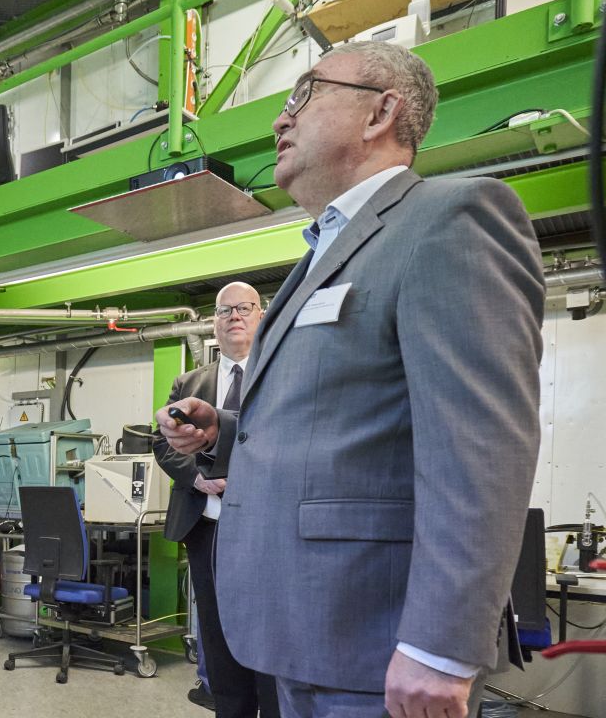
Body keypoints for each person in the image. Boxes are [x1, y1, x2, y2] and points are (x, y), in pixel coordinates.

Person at [157, 41, 544, 718]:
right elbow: (344, 426)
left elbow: (482, 446)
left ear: (380, 113)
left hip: (379, 644)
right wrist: (229, 429)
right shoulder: (318, 258)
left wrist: (440, 647)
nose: (280, 122)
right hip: (302, 629)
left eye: (302, 95)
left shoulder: (449, 220)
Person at [154, 282, 279, 718]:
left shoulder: (280, 374)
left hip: (268, 532)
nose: (235, 317)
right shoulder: (189, 382)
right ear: (213, 322)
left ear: (261, 315)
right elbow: (163, 443)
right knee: (217, 633)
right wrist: (198, 480)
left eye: (245, 308)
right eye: (225, 311)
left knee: (270, 635)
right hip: (207, 528)